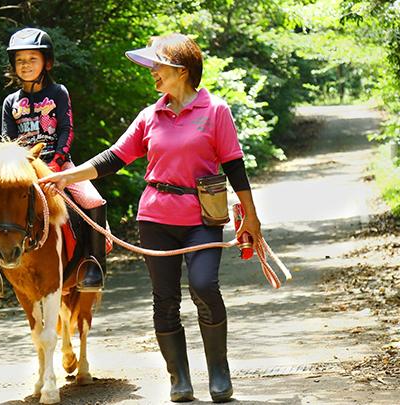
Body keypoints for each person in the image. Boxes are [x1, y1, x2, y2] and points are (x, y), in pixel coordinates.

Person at [39, 33, 262, 403]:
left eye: (158, 66)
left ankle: (219, 373)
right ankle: (180, 380)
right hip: (155, 217)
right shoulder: (150, 115)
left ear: (181, 69)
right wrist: (64, 177)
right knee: (165, 299)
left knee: (205, 286)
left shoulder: (215, 111)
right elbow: (113, 158)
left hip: (202, 218)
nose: (153, 74)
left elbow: (235, 168)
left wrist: (250, 219)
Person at [0, 27, 108, 300]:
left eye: (32, 59)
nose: (25, 65)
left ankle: (92, 265)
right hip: (22, 172)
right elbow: (7, 141)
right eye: (20, 60)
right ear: (13, 66)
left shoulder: (58, 92)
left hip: (59, 165)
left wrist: (58, 161)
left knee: (94, 200)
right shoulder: (11, 101)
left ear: (47, 62)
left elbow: (67, 129)